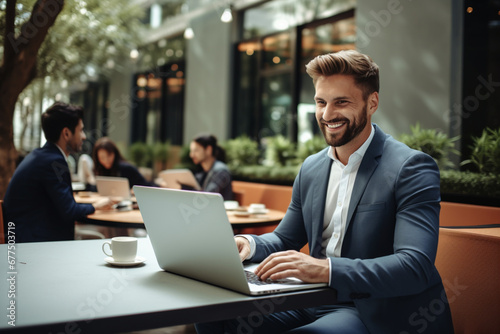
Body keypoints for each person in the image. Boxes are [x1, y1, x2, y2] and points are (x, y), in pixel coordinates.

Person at [195, 50, 454, 333]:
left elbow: (414, 266)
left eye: (341, 102)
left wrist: (325, 269)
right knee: (211, 314)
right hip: (309, 297)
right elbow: (285, 237)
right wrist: (249, 244)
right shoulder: (312, 167)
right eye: (321, 102)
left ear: (372, 103)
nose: (327, 114)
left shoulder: (411, 167)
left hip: (371, 308)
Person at [3, 102, 111, 243]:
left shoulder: (41, 156)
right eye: (80, 130)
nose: (84, 136)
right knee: (101, 244)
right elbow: (70, 211)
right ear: (66, 133)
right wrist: (96, 205)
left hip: (25, 240)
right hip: (34, 247)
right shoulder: (54, 162)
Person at [188, 134, 233, 200]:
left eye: (196, 150)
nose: (191, 155)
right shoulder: (202, 173)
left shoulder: (221, 171)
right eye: (191, 151)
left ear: (208, 150)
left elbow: (208, 196)